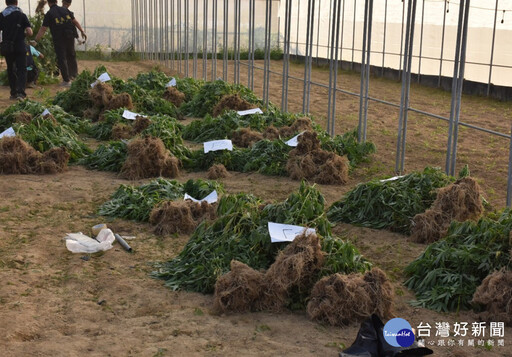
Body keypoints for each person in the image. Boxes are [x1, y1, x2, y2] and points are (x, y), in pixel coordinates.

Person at [33, 0, 86, 86]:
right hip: (69, 36)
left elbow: (43, 29)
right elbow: (75, 21)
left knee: (62, 58)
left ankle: (66, 80)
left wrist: (35, 40)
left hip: (59, 39)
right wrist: (82, 31)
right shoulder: (65, 10)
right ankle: (74, 76)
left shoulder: (49, 14)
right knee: (71, 55)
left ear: (48, 3)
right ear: (57, 1)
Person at [0, 0, 33, 100]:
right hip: (20, 45)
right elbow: (30, 32)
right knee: (22, 69)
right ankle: (20, 93)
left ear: (6, 3)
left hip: (7, 47)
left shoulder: (2, 15)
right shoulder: (21, 15)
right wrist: (22, 35)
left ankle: (13, 93)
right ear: (17, 2)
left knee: (10, 69)